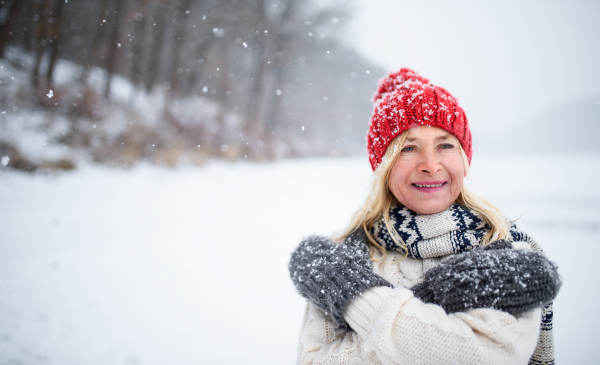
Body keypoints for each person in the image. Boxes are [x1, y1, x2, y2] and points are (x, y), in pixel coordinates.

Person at [288, 68, 561, 365]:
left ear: (465, 159)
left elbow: (487, 355)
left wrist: (358, 296)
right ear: (384, 166)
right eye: (408, 148)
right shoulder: (347, 257)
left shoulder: (510, 252)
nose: (430, 165)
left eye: (445, 145)